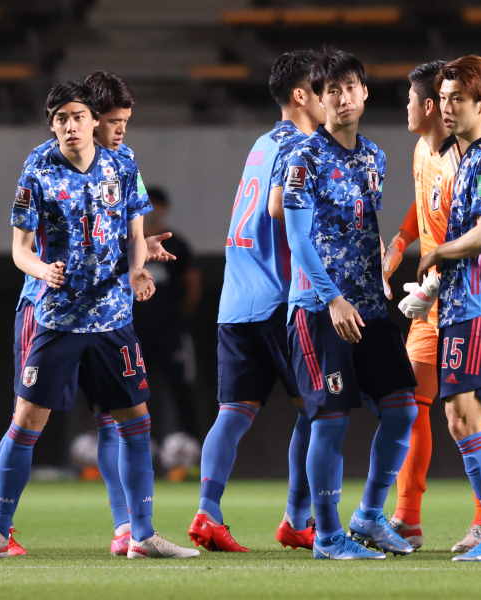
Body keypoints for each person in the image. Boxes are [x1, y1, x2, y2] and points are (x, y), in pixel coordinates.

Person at [1, 81, 197, 559]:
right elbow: (20, 249)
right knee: (27, 419)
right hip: (52, 313)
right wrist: (44, 270)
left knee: (127, 419)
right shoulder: (39, 168)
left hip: (112, 317)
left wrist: (138, 267)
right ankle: (2, 528)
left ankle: (134, 531)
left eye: (120, 124)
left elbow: (131, 229)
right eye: (114, 123)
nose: (119, 132)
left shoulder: (124, 163)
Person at [282, 48, 418, 560]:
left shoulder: (375, 156)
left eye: (349, 88)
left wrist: (380, 272)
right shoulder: (303, 158)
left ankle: (368, 515)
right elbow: (298, 237)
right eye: (330, 90)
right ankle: (328, 536)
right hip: (321, 311)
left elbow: (363, 228)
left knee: (403, 409)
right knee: (332, 420)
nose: (341, 98)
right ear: (318, 100)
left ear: (365, 93)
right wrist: (332, 298)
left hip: (370, 307)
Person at [188, 50, 324, 553]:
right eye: (322, 89)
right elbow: (280, 211)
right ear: (300, 96)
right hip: (280, 298)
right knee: (318, 408)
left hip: (236, 298)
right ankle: (298, 516)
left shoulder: (262, 144)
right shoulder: (304, 147)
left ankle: (208, 511)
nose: (331, 100)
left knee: (234, 411)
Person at [412, 54, 481, 562]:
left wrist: (437, 251)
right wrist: (433, 290)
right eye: (445, 97)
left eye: (460, 98)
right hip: (467, 304)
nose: (448, 107)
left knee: (464, 417)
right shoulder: (469, 160)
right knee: (469, 418)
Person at [381, 60, 461, 550]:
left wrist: (434, 286)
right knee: (410, 404)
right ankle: (407, 519)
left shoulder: (463, 160)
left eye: (410, 100)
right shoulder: (421, 150)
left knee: (473, 413)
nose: (405, 109)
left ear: (429, 105)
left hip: (467, 302)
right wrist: (397, 244)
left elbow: (477, 235)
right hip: (430, 307)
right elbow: (420, 206)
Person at [134, 185, 202, 478]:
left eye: (157, 207)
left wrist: (178, 317)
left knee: (181, 389)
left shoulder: (177, 245)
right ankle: (138, 452)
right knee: (135, 392)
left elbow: (192, 284)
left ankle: (187, 455)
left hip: (170, 333)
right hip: (134, 333)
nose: (153, 213)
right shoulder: (128, 243)